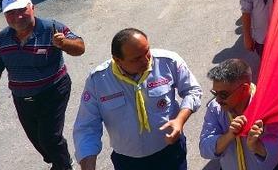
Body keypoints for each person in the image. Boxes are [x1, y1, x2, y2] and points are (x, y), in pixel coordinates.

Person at [73, 28, 203, 170]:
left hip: (170, 152)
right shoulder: (98, 82)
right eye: (136, 59)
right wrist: (88, 165)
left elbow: (193, 91)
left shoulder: (168, 62)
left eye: (147, 51)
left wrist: (180, 120)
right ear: (117, 60)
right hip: (128, 162)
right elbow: (87, 127)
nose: (146, 60)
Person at [0, 0, 85, 170]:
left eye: (22, 10)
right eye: (11, 13)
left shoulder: (51, 27)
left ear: (33, 8)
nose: (18, 17)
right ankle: (58, 159)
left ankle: (63, 165)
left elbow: (80, 47)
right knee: (38, 140)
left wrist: (64, 44)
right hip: (22, 98)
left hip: (53, 91)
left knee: (49, 137)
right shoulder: (3, 39)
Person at [200, 59, 278, 170]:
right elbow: (204, 148)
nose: (217, 100)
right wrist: (228, 136)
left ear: (244, 89)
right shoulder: (215, 108)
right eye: (214, 93)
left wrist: (256, 147)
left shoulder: (268, 105)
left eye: (223, 94)